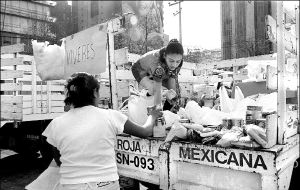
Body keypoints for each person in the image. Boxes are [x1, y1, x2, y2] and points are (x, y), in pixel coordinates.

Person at [42, 72, 162, 190]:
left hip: (71, 184)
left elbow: (57, 158)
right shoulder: (111, 116)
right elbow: (145, 132)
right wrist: (153, 115)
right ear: (95, 92)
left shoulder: (57, 123)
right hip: (105, 183)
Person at [131, 39, 184, 113]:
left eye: (178, 61)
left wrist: (175, 99)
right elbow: (157, 89)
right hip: (141, 70)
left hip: (164, 70)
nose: (175, 65)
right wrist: (158, 111)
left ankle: (167, 114)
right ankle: (146, 99)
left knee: (173, 95)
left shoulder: (178, 61)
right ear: (164, 55)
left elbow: (172, 80)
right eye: (171, 61)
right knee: (153, 89)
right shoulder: (157, 64)